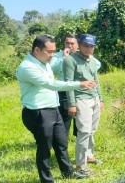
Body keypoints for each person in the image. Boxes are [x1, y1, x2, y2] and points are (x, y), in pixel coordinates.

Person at [16, 35, 97, 182]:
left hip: (53, 109)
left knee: (61, 143)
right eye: (50, 52)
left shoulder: (44, 62)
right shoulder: (27, 67)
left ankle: (68, 172)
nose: (53, 55)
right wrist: (79, 84)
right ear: (37, 49)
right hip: (38, 112)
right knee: (44, 148)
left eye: (54, 51)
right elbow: (51, 84)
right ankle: (46, 179)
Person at [63, 33, 104, 174]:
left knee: (92, 130)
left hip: (94, 99)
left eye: (91, 46)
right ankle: (80, 165)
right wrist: (72, 104)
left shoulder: (92, 60)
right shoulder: (70, 60)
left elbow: (96, 79)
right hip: (81, 100)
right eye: (86, 46)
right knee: (84, 131)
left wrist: (101, 99)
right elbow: (68, 84)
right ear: (79, 45)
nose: (88, 49)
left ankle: (89, 156)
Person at [50, 34, 101, 137]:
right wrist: (64, 59)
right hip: (64, 90)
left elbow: (97, 64)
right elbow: (53, 69)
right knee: (66, 117)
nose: (69, 46)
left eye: (72, 43)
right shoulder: (59, 55)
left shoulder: (84, 55)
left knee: (81, 118)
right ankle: (63, 140)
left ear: (77, 45)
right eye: (67, 43)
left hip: (80, 91)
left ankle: (79, 136)